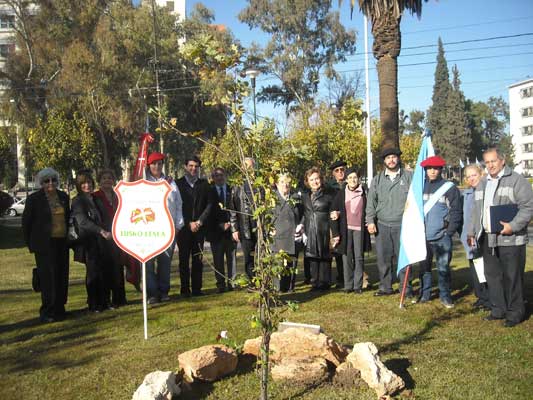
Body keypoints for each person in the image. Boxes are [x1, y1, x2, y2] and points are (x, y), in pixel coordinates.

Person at [467, 147, 533, 327]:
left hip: (511, 239)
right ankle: (498, 309)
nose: (490, 165)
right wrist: (472, 231)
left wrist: (513, 226)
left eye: (493, 161)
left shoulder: (517, 181)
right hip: (487, 238)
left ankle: (515, 313)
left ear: (502, 161)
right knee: (492, 275)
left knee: (512, 277)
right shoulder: (482, 183)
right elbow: (476, 211)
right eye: (487, 162)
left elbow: (528, 207)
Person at [22, 168, 70, 323]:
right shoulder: (34, 199)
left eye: (53, 180)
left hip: (61, 242)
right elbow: (26, 223)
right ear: (41, 183)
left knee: (61, 275)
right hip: (44, 244)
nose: (50, 184)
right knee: (48, 278)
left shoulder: (63, 196)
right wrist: (31, 244)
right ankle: (47, 310)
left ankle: (60, 308)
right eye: (46, 181)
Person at [366, 148, 413, 296]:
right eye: (388, 158)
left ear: (398, 159)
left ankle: (405, 288)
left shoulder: (408, 177)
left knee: (403, 259)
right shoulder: (377, 179)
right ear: (384, 161)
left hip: (403, 225)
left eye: (393, 157)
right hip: (383, 225)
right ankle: (385, 287)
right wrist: (370, 221)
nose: (391, 160)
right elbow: (371, 203)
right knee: (383, 258)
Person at [417, 155, 462, 308]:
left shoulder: (449, 188)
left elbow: (456, 212)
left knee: (443, 268)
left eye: (435, 168)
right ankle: (425, 294)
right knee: (424, 268)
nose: (432, 171)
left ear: (441, 169)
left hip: (442, 237)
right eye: (429, 168)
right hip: (423, 237)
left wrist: (448, 232)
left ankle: (445, 296)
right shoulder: (419, 187)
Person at [145, 152, 184, 303]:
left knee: (165, 261)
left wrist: (178, 224)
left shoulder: (170, 182)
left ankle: (163, 291)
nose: (157, 166)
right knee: (148, 263)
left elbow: (178, 204)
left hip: (168, 229)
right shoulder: (143, 182)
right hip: (148, 230)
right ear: (149, 166)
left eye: (159, 163)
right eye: (154, 164)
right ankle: (152, 293)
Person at [72, 171, 112, 312]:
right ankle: (93, 303)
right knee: (93, 273)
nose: (87, 185)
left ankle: (105, 302)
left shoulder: (95, 198)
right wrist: (101, 231)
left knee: (103, 271)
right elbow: (83, 222)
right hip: (88, 242)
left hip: (102, 241)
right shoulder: (77, 201)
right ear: (79, 185)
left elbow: (104, 217)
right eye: (83, 183)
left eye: (89, 182)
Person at [331, 167, 371, 293]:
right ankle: (348, 285)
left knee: (358, 257)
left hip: (359, 230)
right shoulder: (341, 193)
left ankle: (357, 285)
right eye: (350, 178)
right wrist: (336, 217)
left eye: (355, 177)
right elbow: (333, 211)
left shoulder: (364, 192)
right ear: (346, 180)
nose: (353, 180)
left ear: (358, 179)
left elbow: (369, 208)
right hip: (346, 230)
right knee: (346, 256)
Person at [176, 156, 211, 297]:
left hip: (199, 229)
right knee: (183, 260)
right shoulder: (177, 184)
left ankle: (197, 289)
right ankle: (185, 289)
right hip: (184, 228)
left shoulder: (204, 184)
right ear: (185, 166)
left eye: (196, 166)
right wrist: (188, 222)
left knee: (198, 260)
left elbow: (209, 204)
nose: (193, 168)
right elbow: (177, 207)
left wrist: (199, 222)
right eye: (191, 165)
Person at [93, 169, 126, 307]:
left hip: (118, 237)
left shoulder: (118, 196)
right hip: (103, 237)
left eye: (109, 178)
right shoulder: (95, 197)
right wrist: (103, 231)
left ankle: (119, 299)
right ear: (99, 181)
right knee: (104, 269)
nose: (107, 180)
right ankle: (105, 299)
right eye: (104, 178)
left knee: (118, 268)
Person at [300, 167, 335, 291]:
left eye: (317, 179)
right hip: (310, 228)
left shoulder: (329, 195)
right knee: (312, 256)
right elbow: (303, 213)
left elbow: (334, 211)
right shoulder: (304, 196)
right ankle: (314, 281)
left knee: (324, 255)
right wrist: (301, 226)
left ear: (321, 179)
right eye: (311, 179)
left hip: (324, 228)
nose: (315, 182)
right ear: (307, 182)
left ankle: (325, 282)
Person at [460, 164, 490, 310]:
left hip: (481, 237)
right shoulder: (466, 194)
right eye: (469, 176)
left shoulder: (486, 190)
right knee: (475, 267)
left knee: (485, 268)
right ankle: (481, 296)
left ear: (481, 174)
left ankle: (488, 297)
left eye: (474, 175)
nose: (472, 178)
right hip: (469, 238)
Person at [206, 167, 236, 293]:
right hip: (215, 232)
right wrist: (219, 224)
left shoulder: (232, 190)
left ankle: (232, 283)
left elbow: (235, 208)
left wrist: (231, 224)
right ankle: (221, 284)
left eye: (221, 175)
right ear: (213, 178)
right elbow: (207, 211)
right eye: (216, 175)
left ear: (225, 176)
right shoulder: (209, 191)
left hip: (231, 230)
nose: (219, 177)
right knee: (218, 260)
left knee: (232, 258)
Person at [271, 173, 303, 293]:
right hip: (277, 238)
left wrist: (301, 225)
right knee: (279, 266)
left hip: (292, 237)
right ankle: (277, 290)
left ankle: (290, 288)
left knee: (291, 265)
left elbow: (303, 214)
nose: (286, 184)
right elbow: (265, 218)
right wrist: (268, 229)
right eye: (282, 182)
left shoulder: (296, 198)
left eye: (288, 182)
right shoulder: (272, 199)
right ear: (277, 184)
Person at [230, 157, 258, 280]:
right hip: (245, 226)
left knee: (260, 254)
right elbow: (233, 208)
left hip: (259, 225)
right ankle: (252, 281)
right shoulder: (237, 186)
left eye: (251, 166)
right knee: (248, 257)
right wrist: (234, 228)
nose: (248, 169)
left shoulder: (260, 184)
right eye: (246, 166)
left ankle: (262, 279)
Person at [328, 160, 347, 288]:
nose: (340, 172)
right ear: (333, 173)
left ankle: (349, 276)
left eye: (342, 169)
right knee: (336, 251)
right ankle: (340, 277)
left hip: (348, 221)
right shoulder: (329, 187)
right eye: (337, 170)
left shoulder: (351, 182)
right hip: (334, 222)